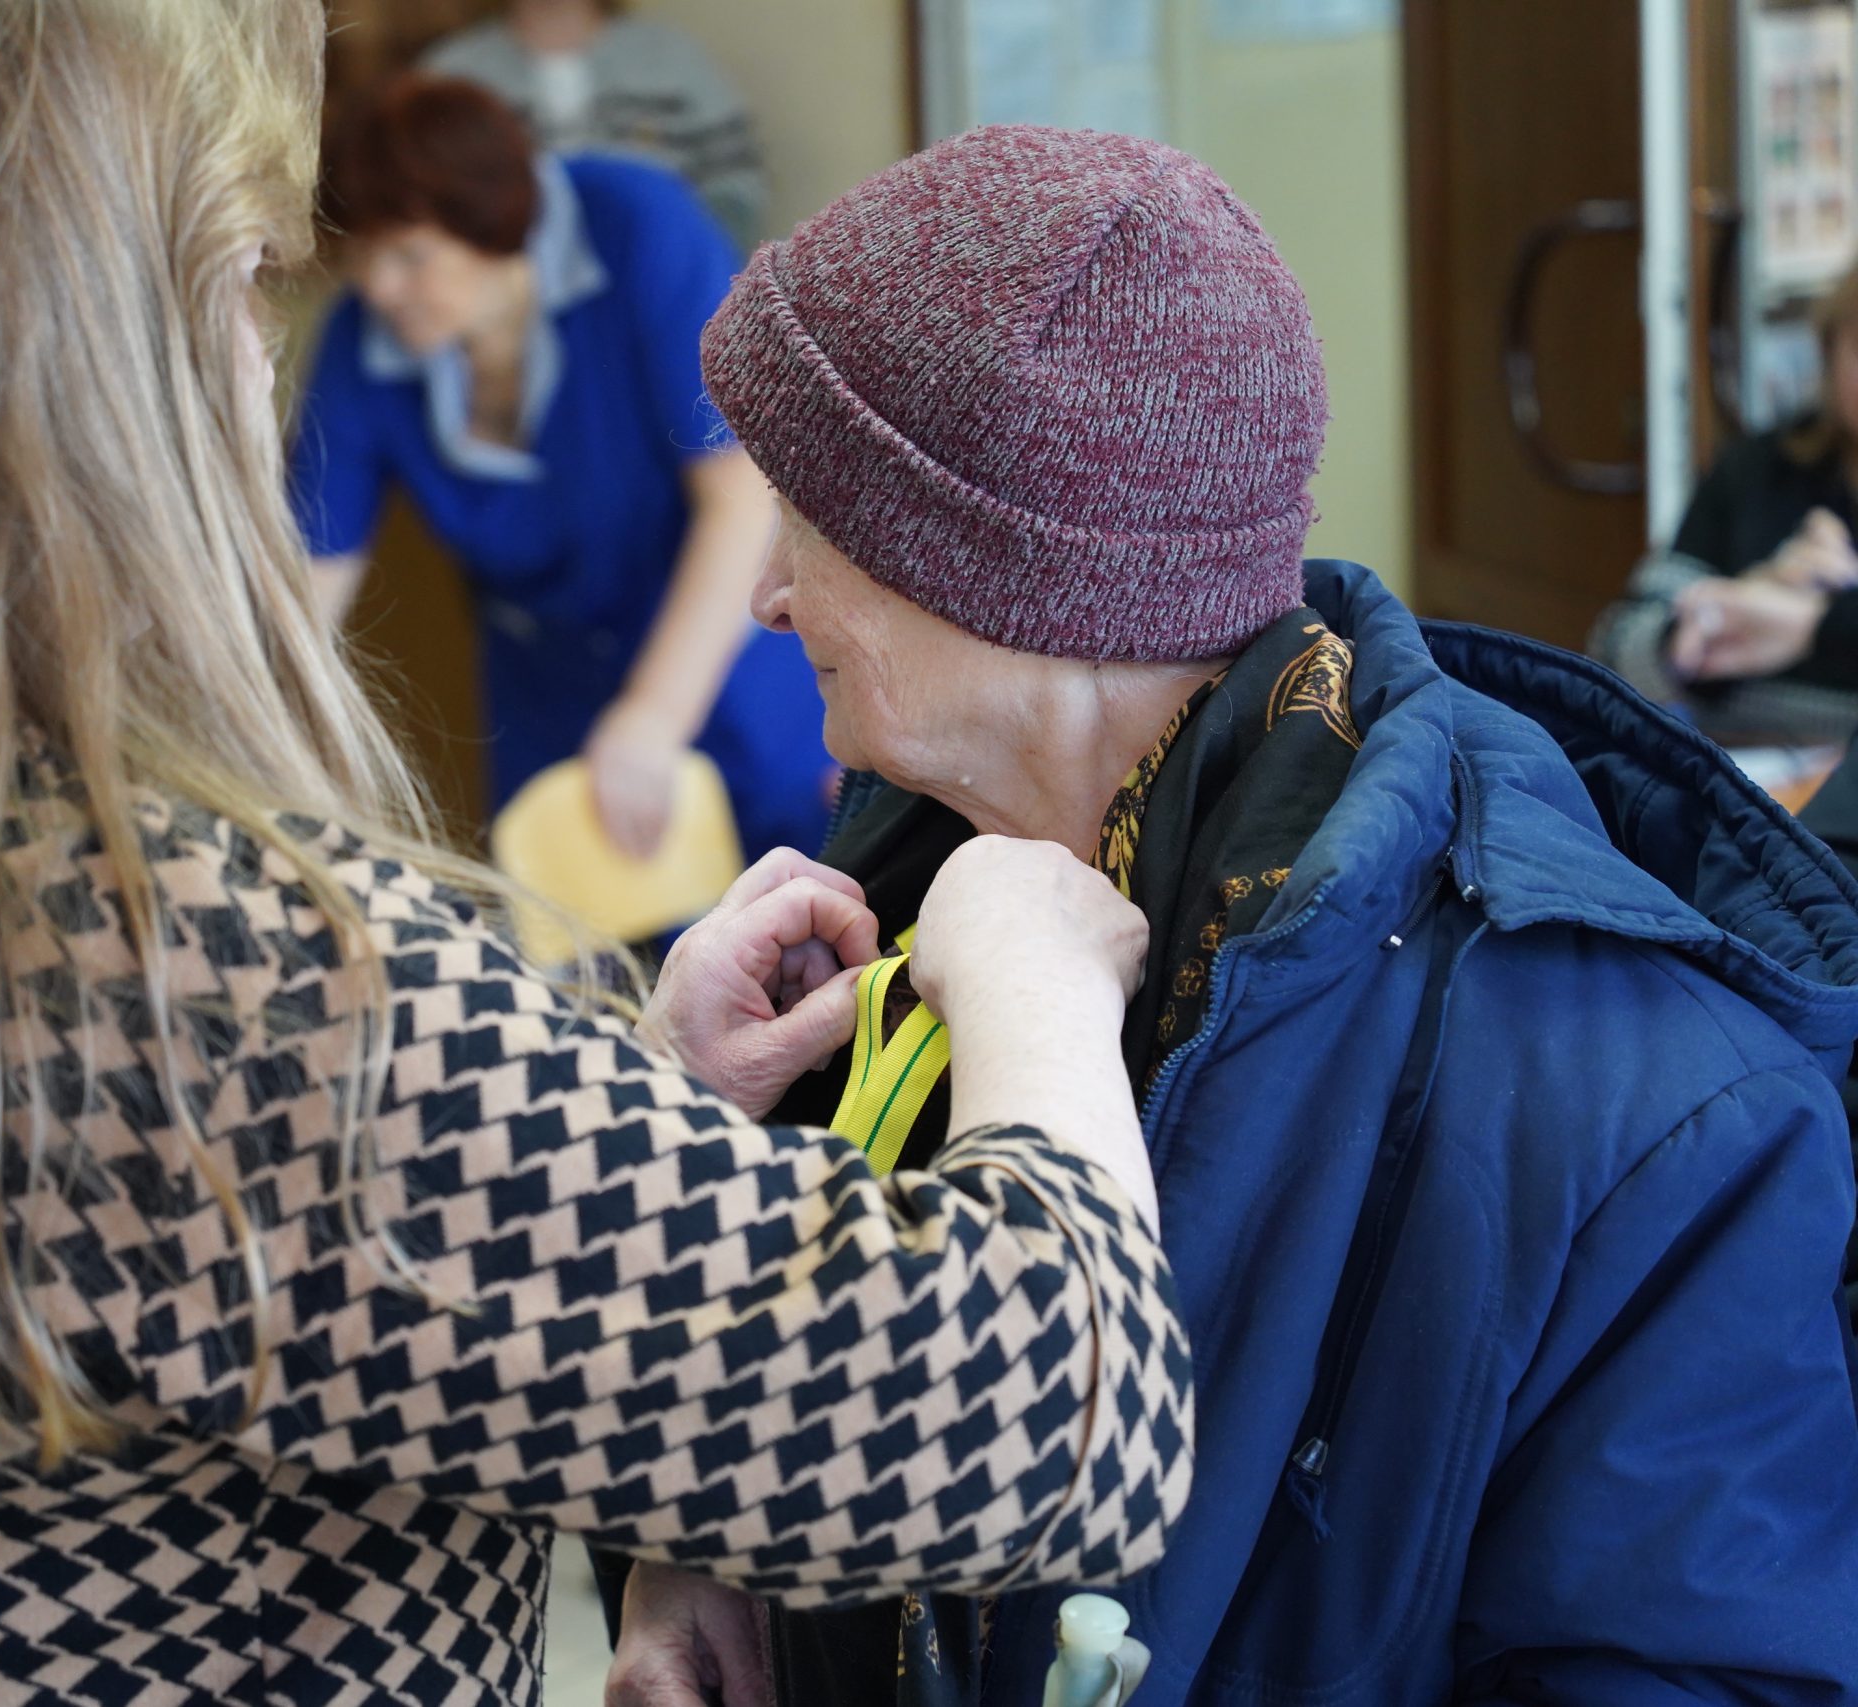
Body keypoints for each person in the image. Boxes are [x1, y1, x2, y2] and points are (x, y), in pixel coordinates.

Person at [0, 8, 1193, 1702]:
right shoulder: (206, 973)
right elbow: (1063, 1416)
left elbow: (200, 1285)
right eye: (263, 276)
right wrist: (1022, 964)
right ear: (148, 325)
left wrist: (623, 1118)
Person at [607, 125, 1858, 1707]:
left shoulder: (1659, 1116)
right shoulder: (889, 902)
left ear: (998, 569)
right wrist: (693, 1551)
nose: (770, 596)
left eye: (816, 522)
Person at [294, 75, 828, 864]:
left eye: (409, 254)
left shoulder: (639, 226)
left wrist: (651, 718)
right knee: (582, 958)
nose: (378, 286)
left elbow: (743, 496)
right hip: (546, 696)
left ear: (495, 228)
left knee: (807, 920)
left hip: (721, 649)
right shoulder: (362, 342)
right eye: (361, 259)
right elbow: (305, 586)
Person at [1593, 264, 1858, 742]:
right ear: (1829, 349)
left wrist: (1814, 625)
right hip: (1738, 775)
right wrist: (1711, 623)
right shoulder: (1754, 467)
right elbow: (1612, 652)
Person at [422, 0, 765, 254]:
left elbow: (736, 184)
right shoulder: (450, 76)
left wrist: (692, 266)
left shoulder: (674, 58)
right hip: (506, 296)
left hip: (659, 284)